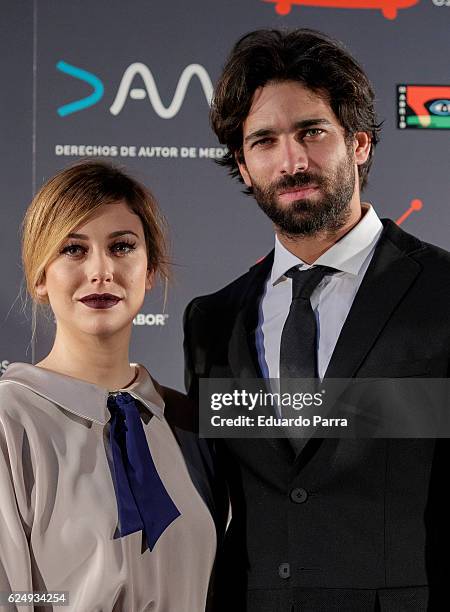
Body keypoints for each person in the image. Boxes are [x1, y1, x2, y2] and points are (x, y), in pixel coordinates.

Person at [183, 29, 450, 611]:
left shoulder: (442, 293)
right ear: (244, 165)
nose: (292, 161)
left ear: (358, 143)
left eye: (311, 132)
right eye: (264, 141)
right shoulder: (210, 321)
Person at [0, 161, 220, 612]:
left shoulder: (184, 421)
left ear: (150, 270)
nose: (101, 270)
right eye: (74, 250)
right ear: (40, 277)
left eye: (122, 247)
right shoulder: (10, 421)